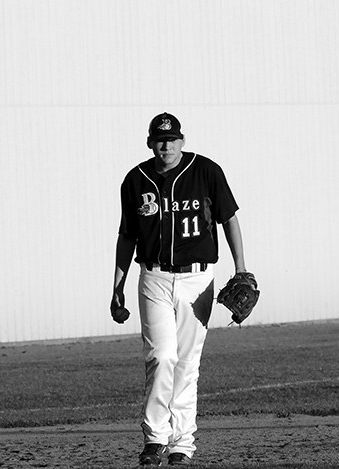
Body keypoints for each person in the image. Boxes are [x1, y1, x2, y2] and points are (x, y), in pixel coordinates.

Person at [110, 112, 248, 466]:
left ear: (182, 142)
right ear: (150, 143)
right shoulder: (135, 180)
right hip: (153, 277)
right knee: (161, 356)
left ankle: (182, 443)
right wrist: (117, 286)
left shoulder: (206, 172)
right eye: (159, 139)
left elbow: (229, 218)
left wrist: (241, 269)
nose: (166, 145)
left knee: (186, 362)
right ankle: (155, 438)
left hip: (197, 280)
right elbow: (127, 236)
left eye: (172, 139)